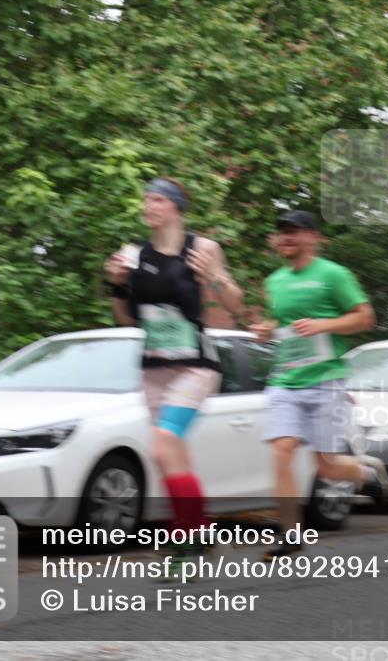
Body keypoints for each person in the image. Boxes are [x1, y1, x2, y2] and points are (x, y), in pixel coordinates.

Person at [104, 177, 245, 559]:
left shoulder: (203, 248)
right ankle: (197, 531)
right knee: (166, 452)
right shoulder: (135, 255)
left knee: (166, 443)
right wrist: (117, 285)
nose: (147, 206)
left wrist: (214, 278)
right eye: (145, 200)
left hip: (195, 365)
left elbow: (235, 306)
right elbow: (126, 319)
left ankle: (186, 534)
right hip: (153, 368)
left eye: (156, 200)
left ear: (176, 207)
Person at [251, 210, 388, 560]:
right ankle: (290, 533)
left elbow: (365, 317)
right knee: (281, 451)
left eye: (294, 231)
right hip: (285, 379)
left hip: (326, 379)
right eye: (282, 232)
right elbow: (283, 326)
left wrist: (324, 325)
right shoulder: (275, 281)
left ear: (313, 237)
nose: (286, 238)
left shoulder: (333, 275)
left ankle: (367, 473)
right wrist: (268, 330)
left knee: (327, 467)